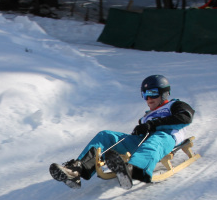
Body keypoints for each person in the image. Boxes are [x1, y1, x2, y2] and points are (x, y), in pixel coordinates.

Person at [49, 75, 195, 190]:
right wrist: (142, 127)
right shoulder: (145, 116)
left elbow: (185, 117)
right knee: (105, 135)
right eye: (145, 95)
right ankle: (77, 170)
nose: (149, 99)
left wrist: (152, 125)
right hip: (141, 140)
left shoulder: (174, 105)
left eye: (153, 94)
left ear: (164, 93)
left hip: (165, 137)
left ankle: (136, 169)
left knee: (155, 140)